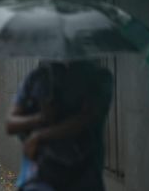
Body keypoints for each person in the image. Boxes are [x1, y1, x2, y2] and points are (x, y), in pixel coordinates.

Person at [7, 60, 113, 191]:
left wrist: (39, 135)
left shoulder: (98, 78)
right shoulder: (38, 78)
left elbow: (88, 118)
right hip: (45, 170)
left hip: (85, 170)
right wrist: (40, 118)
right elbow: (11, 124)